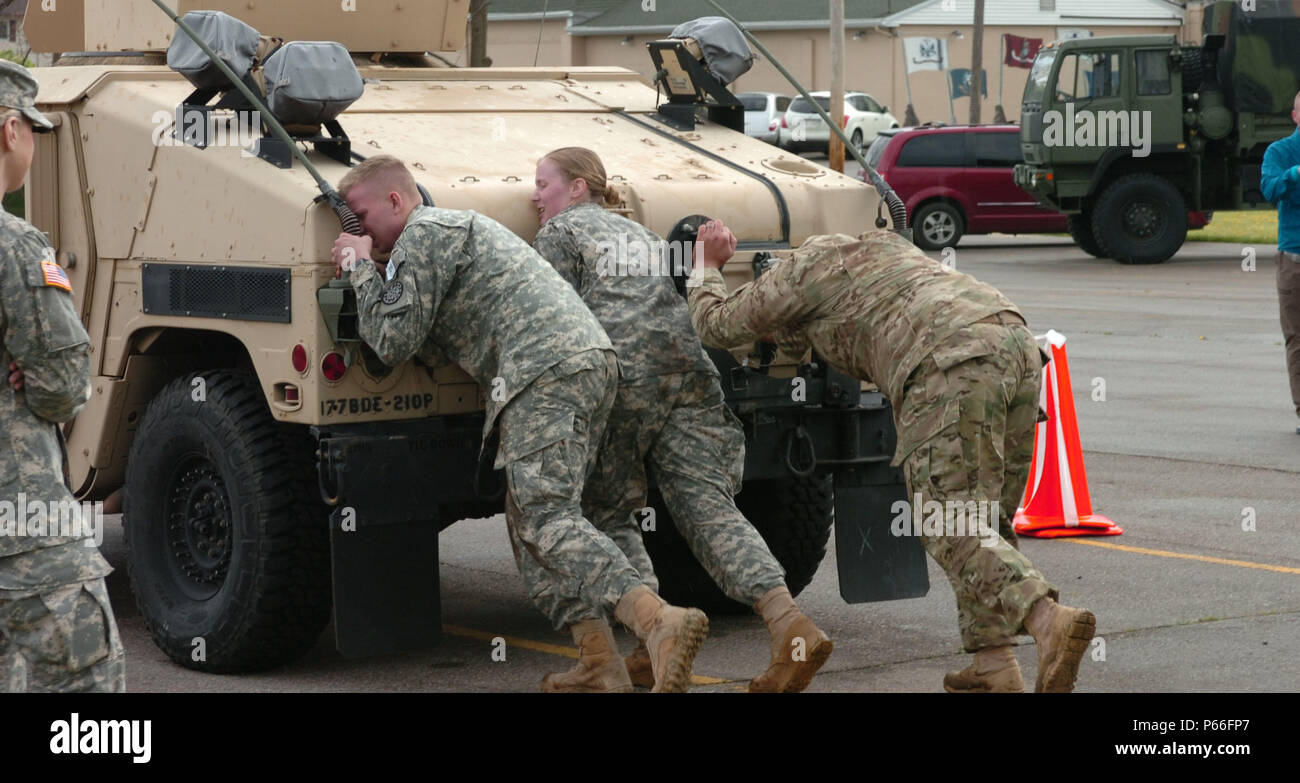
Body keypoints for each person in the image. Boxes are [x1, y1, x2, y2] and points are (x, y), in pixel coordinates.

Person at [330, 155, 707, 692]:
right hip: (584, 363)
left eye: (360, 215)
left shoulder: (425, 231)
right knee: (535, 520)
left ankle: (656, 621)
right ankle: (600, 659)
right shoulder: (451, 230)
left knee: (548, 517)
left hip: (543, 371)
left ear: (396, 200)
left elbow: (392, 342)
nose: (357, 228)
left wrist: (359, 267)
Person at [688, 218, 1097, 693]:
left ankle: (1047, 619)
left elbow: (715, 324)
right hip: (1016, 344)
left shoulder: (797, 271)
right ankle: (993, 660)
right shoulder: (881, 251)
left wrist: (704, 267)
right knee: (981, 521)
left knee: (944, 519)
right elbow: (796, 342)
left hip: (945, 360)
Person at [530, 147, 831, 693]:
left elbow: (552, 316)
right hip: (689, 371)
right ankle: (790, 625)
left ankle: (650, 639)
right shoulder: (642, 235)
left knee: (607, 511)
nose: (535, 197)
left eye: (543, 185)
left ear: (577, 189)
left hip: (623, 377)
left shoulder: (561, 231)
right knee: (709, 507)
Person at [0, 58, 125, 692]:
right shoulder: (16, 246)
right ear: (8, 132)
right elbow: (61, 388)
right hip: (21, 526)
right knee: (84, 690)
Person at [1259, 90, 1300, 434]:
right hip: (1294, 261)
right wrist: (1295, 175)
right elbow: (1270, 189)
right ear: (1295, 116)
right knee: (1297, 338)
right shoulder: (1280, 152)